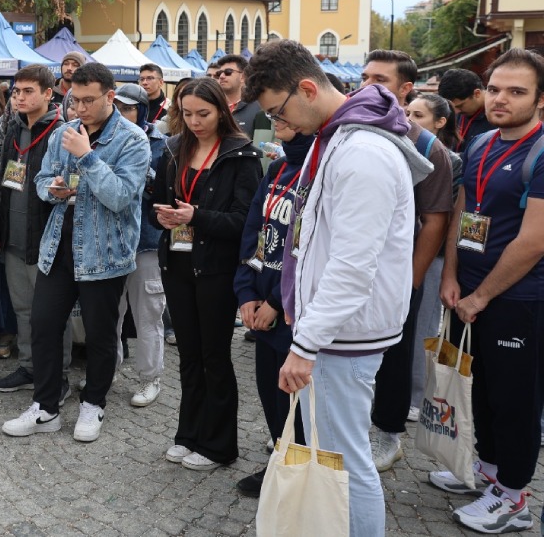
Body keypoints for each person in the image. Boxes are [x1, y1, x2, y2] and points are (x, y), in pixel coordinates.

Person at [247, 39, 429, 537]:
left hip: (342, 336)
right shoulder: (337, 138)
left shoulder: (361, 151)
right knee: (332, 453)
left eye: (278, 111)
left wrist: (304, 345)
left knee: (344, 462)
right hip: (332, 330)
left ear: (307, 88)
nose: (278, 125)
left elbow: (352, 266)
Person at [1, 62, 151, 442]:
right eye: (75, 100)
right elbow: (38, 182)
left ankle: (93, 403)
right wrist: (52, 190)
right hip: (58, 244)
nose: (80, 108)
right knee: (45, 325)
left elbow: (120, 197)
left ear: (110, 96)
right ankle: (46, 407)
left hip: (105, 251)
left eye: (88, 100)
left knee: (100, 334)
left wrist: (86, 157)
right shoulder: (64, 133)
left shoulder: (132, 139)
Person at [431, 49, 544, 533]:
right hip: (469, 291)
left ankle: (514, 498)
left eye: (516, 91)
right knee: (484, 392)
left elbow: (534, 240)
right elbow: (461, 213)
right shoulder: (480, 143)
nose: (501, 99)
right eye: (495, 88)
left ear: (540, 99)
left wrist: (482, 297)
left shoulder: (540, 153)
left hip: (518, 301)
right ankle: (490, 474)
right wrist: (452, 276)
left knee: (516, 399)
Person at [152, 78, 262, 470]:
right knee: (189, 355)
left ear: (222, 110)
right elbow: (159, 199)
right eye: (187, 113)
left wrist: (196, 216)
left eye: (204, 113)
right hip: (178, 262)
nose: (195, 121)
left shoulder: (241, 155)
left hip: (216, 268)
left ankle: (218, 444)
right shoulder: (174, 148)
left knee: (214, 357)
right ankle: (189, 433)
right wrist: (165, 215)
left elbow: (244, 222)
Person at [360, 49, 455, 472]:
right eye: (364, 78)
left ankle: (388, 433)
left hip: (398, 272)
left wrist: (412, 280)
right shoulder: (352, 128)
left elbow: (435, 221)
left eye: (379, 80)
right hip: (356, 263)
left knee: (395, 354)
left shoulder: (426, 146)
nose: (367, 87)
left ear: (404, 89)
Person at [232, 120, 314, 496]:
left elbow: (311, 250)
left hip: (293, 313)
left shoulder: (320, 168)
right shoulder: (279, 167)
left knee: (295, 400)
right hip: (261, 301)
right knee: (269, 392)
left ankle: (298, 476)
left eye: (282, 111)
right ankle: (281, 461)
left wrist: (277, 303)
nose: (274, 119)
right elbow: (255, 231)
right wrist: (246, 292)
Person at [0, 65, 70, 396]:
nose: (19, 98)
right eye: (16, 92)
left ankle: (59, 374)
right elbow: (2, 183)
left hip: (46, 240)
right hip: (13, 238)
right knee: (23, 308)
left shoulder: (63, 132)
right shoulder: (11, 129)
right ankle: (30, 365)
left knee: (52, 313)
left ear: (49, 94)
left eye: (27, 92)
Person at [108, 83, 168, 408]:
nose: (122, 113)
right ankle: (107, 371)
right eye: (117, 106)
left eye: (129, 107)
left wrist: (143, 178)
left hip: (145, 244)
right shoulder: (103, 138)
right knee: (109, 314)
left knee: (148, 315)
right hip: (111, 242)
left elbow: (165, 194)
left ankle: (150, 378)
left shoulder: (162, 145)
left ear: (142, 110)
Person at [404, 91, 463, 422]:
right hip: (404, 251)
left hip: (431, 256)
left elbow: (443, 219)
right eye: (408, 113)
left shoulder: (449, 160)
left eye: (419, 115)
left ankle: (418, 395)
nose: (410, 120)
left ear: (440, 123)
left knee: (422, 328)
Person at [439, 67, 495, 153]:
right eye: (452, 107)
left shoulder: (497, 116)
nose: (456, 112)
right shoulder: (456, 112)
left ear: (477, 93)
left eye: (460, 106)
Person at [215, 54, 265, 138]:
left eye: (228, 72)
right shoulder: (214, 106)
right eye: (219, 73)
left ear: (243, 77)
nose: (221, 76)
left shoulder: (259, 107)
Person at [138, 63, 168, 128]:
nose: (144, 83)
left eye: (150, 78)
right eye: (142, 79)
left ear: (161, 82)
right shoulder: (134, 106)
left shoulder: (170, 108)